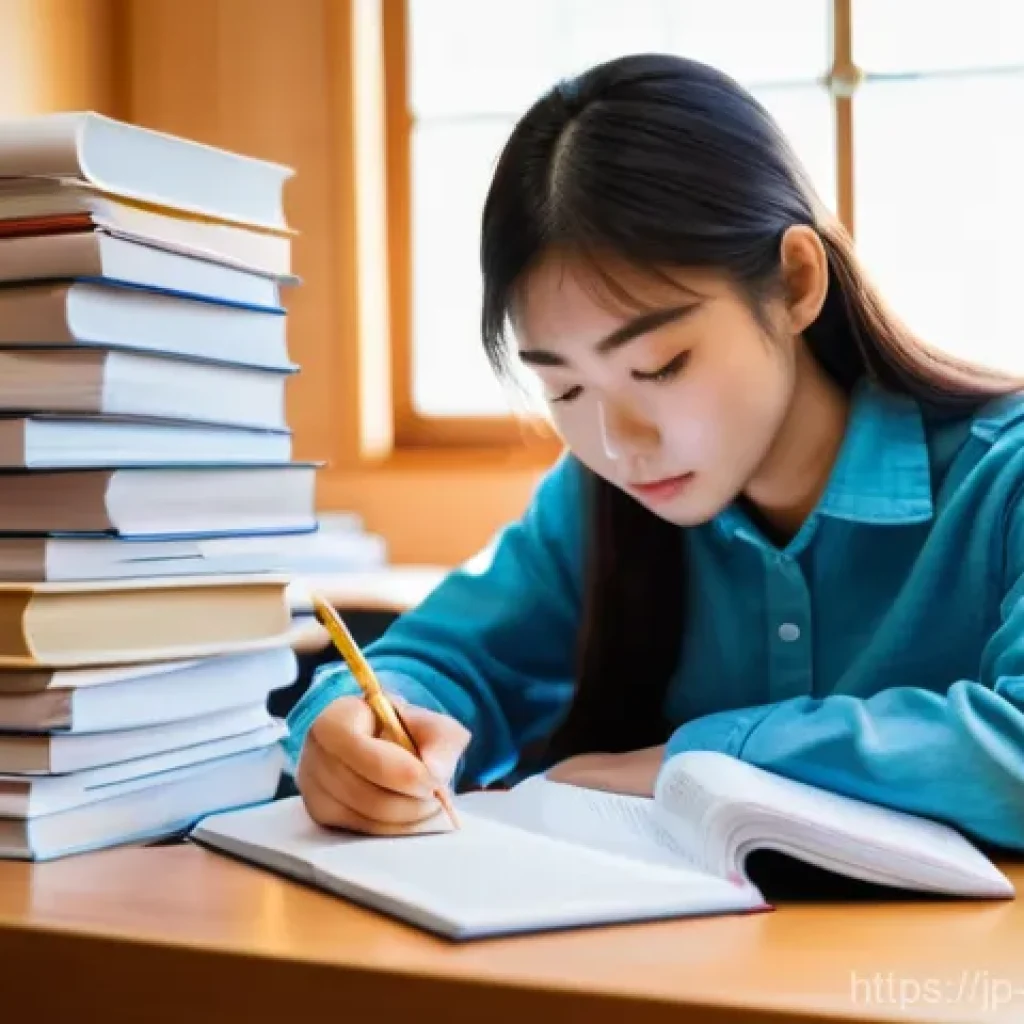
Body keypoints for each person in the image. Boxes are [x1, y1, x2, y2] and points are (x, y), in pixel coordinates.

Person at [285, 53, 1024, 850]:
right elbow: (443, 663)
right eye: (565, 391)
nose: (617, 444)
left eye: (660, 367)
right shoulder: (592, 502)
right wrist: (352, 727)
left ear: (796, 282)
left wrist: (702, 758)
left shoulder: (1003, 479)